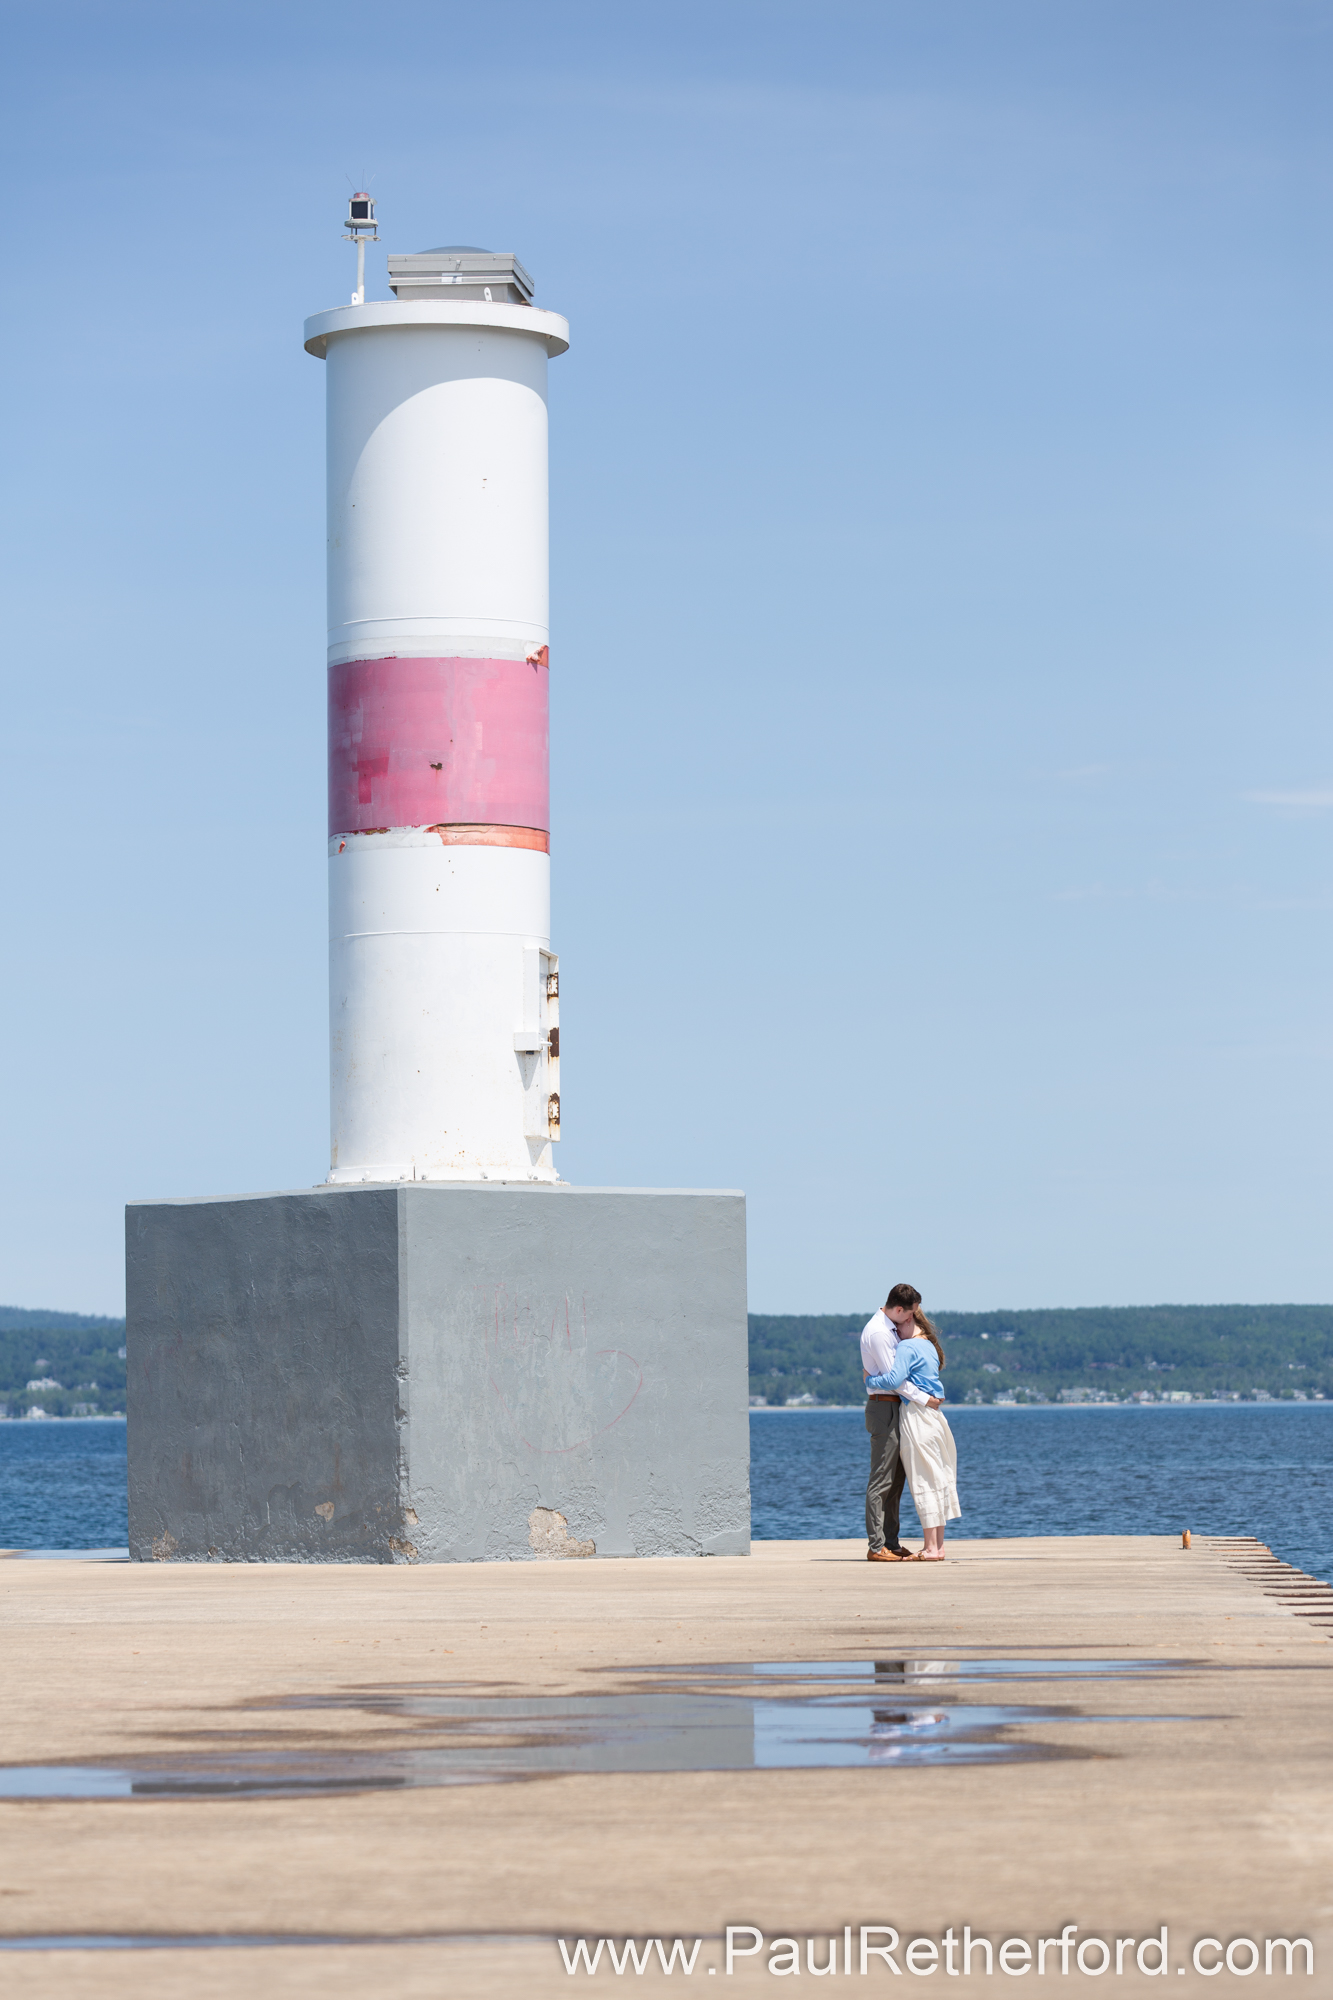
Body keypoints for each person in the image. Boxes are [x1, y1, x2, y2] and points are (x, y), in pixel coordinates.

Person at [865, 1284, 960, 1561]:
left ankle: (930, 1548)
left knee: (923, 1478)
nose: (899, 1329)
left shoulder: (907, 1345)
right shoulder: (930, 1346)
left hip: (918, 1417)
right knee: (937, 1476)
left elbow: (895, 1381)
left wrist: (870, 1380)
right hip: (935, 1419)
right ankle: (937, 1547)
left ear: (910, 1320)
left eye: (905, 1322)